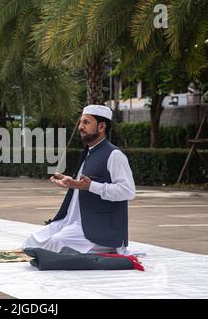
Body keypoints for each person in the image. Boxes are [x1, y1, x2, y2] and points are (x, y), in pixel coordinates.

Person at [23, 105, 136, 254]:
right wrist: (71, 182)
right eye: (81, 122)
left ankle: (106, 248)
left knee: (55, 243)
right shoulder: (89, 152)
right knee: (31, 242)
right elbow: (83, 185)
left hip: (99, 228)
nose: (81, 127)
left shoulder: (114, 155)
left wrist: (91, 186)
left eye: (86, 122)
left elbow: (128, 191)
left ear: (101, 126)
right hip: (72, 222)